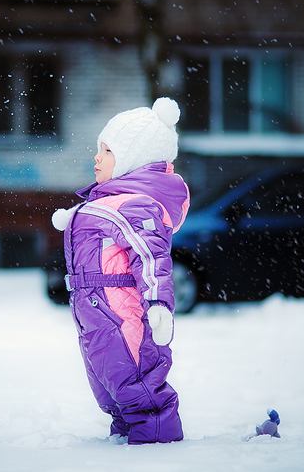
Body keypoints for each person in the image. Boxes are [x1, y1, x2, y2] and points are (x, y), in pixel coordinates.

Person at [51, 98, 190, 444]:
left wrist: (158, 303)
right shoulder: (110, 202)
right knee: (108, 382)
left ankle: (156, 441)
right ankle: (125, 435)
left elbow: (151, 256)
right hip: (94, 310)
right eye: (99, 149)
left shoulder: (136, 206)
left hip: (121, 311)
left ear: (133, 158)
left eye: (108, 150)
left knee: (136, 380)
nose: (97, 158)